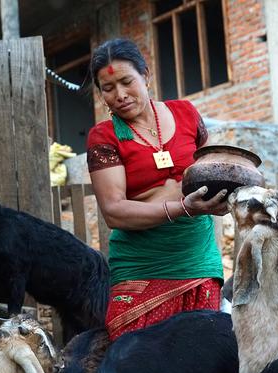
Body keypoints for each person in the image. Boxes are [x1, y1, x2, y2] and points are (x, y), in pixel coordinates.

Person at [86, 38, 229, 341]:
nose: (120, 95)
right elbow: (114, 211)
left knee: (201, 358)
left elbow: (212, 172)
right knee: (139, 366)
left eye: (127, 81)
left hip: (197, 261)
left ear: (146, 76)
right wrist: (183, 207)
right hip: (141, 267)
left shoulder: (187, 114)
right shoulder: (104, 137)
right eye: (108, 88)